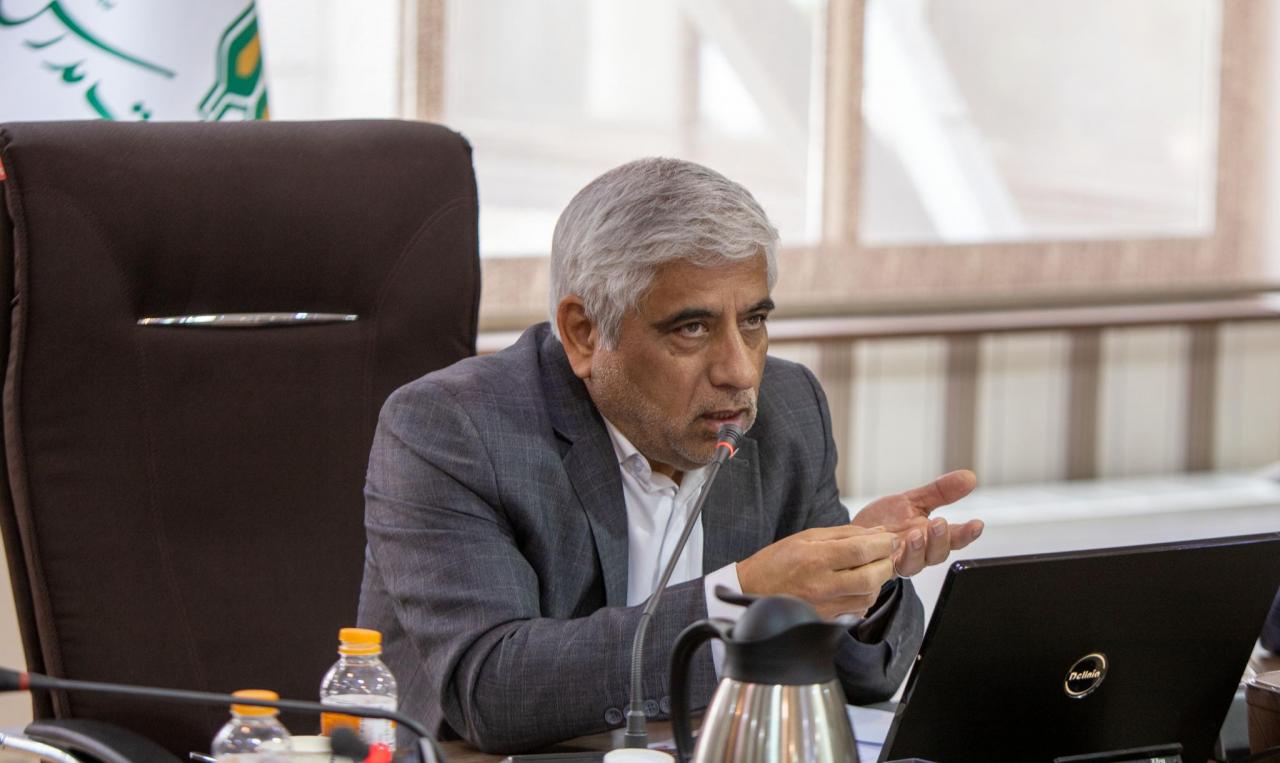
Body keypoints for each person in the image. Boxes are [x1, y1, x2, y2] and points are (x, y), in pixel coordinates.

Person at [357, 157, 984, 754]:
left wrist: (861, 578)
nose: (740, 371)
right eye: (692, 328)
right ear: (584, 332)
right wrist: (743, 599)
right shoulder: (455, 428)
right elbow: (492, 689)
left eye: (754, 322)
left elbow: (867, 679)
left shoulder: (788, 411)